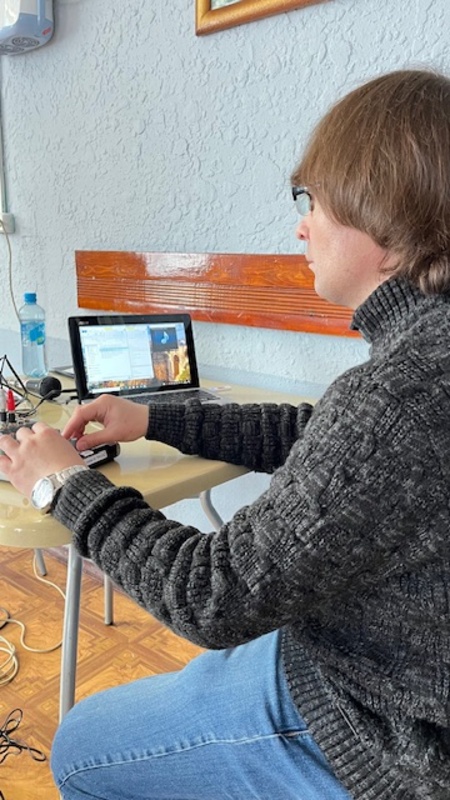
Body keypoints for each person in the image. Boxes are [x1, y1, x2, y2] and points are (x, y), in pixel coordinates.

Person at [1, 67, 450, 800]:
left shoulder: (401, 391)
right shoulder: (424, 357)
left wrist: (62, 485)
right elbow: (321, 437)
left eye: (314, 201)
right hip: (370, 663)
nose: (301, 225)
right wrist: (156, 418)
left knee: (79, 748)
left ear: (391, 229)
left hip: (383, 736)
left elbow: (212, 596)